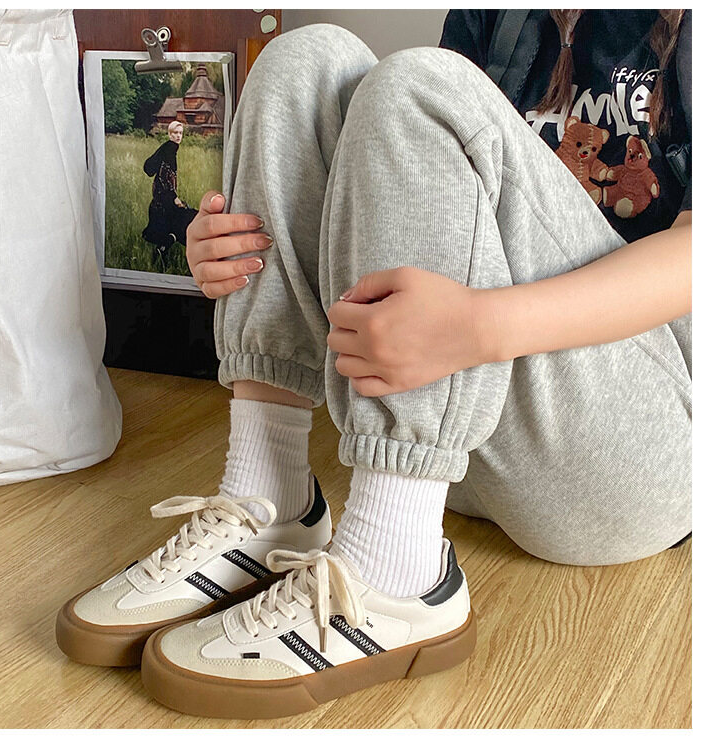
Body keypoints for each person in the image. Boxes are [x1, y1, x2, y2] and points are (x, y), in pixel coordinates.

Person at [57, 11, 691, 719]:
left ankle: (398, 574)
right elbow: (428, 197)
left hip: (642, 452)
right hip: (464, 450)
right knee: (305, 61)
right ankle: (267, 498)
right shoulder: (499, 13)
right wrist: (232, 246)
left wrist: (482, 325)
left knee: (421, 86)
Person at [141, 120, 197, 271]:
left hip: (161, 200)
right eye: (175, 133)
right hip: (165, 201)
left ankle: (162, 253)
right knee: (189, 220)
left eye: (180, 133)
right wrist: (174, 198)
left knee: (173, 228)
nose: (178, 136)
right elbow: (165, 177)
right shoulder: (170, 149)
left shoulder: (167, 148)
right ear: (169, 134)